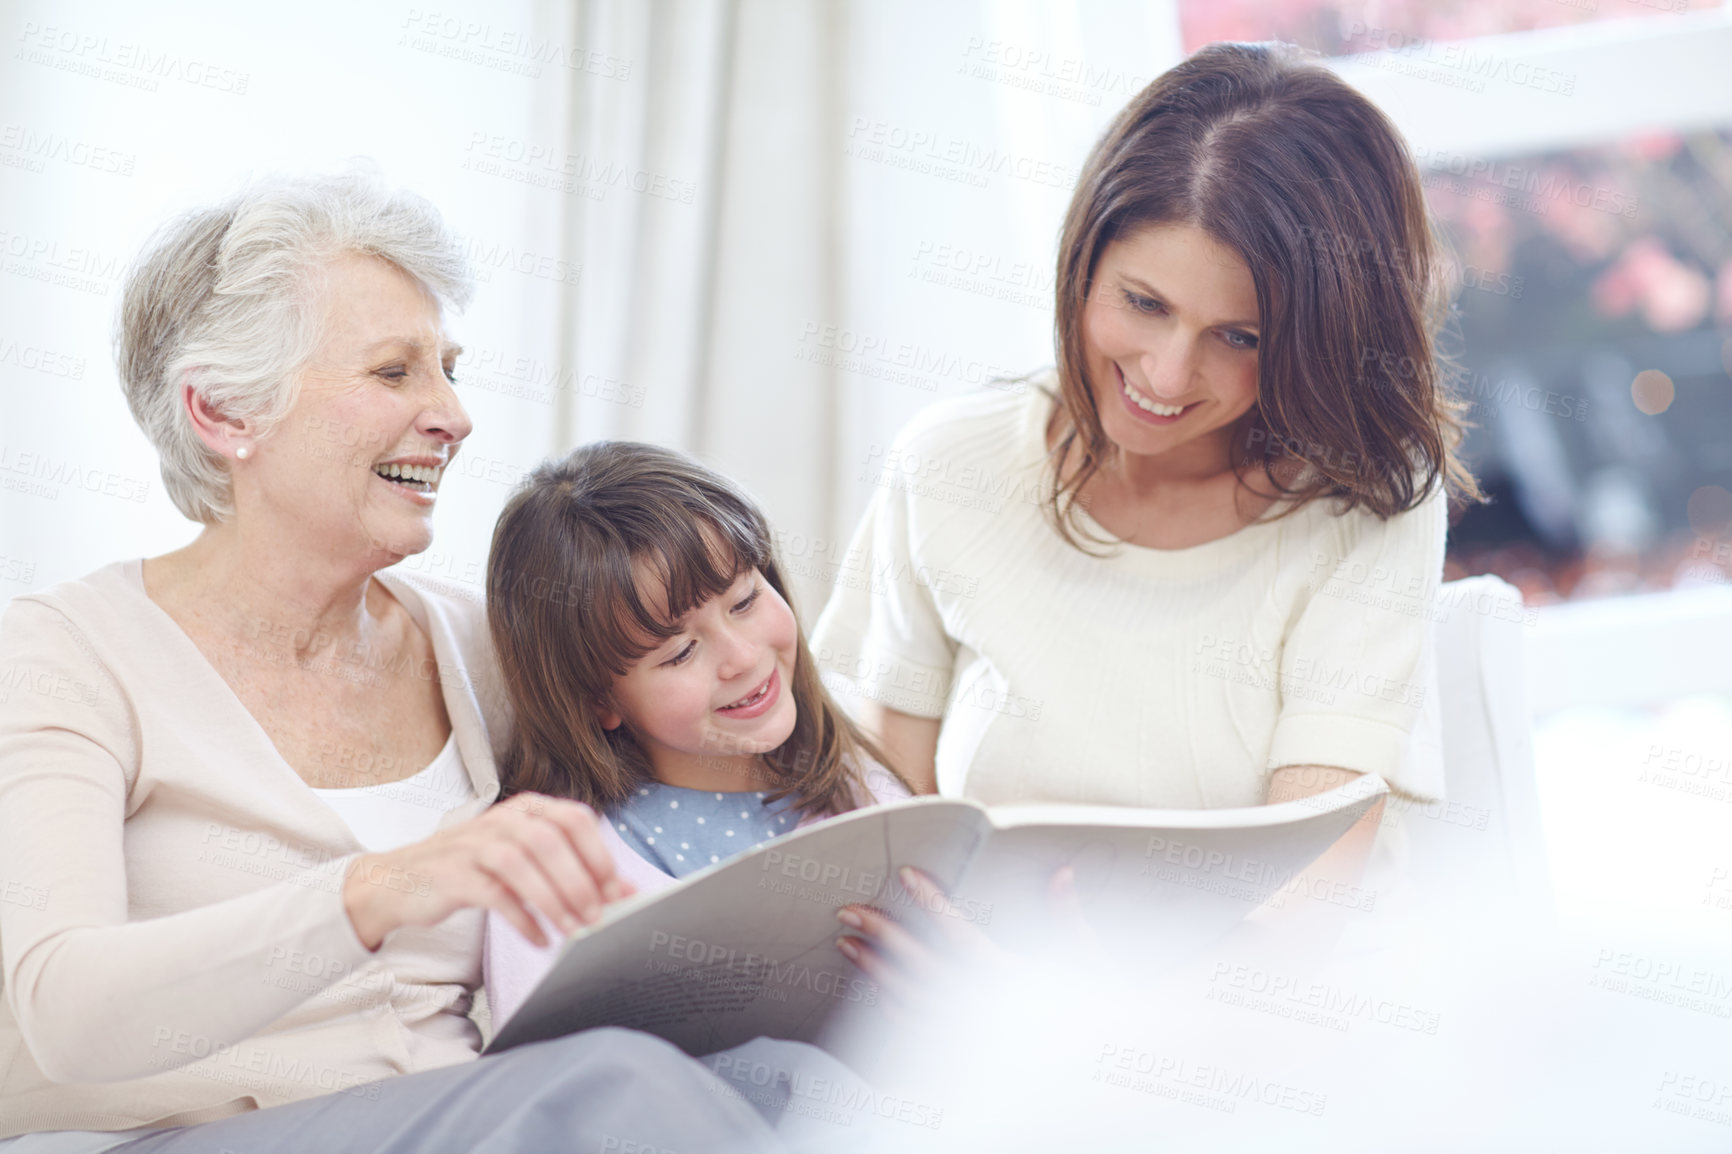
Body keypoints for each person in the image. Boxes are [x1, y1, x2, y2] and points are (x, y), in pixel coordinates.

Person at [0, 174, 804, 1153]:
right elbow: (61, 1009)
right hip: (160, 1135)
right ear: (222, 412)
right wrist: (377, 889)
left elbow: (703, 793)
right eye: (394, 373)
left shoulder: (484, 647)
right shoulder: (62, 653)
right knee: (615, 1087)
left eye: (448, 368)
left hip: (477, 1121)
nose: (453, 416)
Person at [811, 42, 1479, 823]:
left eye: (1241, 338)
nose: (1165, 377)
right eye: (1144, 304)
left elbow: (1311, 883)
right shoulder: (949, 465)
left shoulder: (1364, 505)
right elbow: (888, 825)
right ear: (1083, 261)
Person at [480, 442, 909, 1025]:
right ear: (599, 699)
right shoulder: (553, 869)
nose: (741, 656)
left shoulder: (867, 796)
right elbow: (547, 1081)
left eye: (746, 600)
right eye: (681, 652)